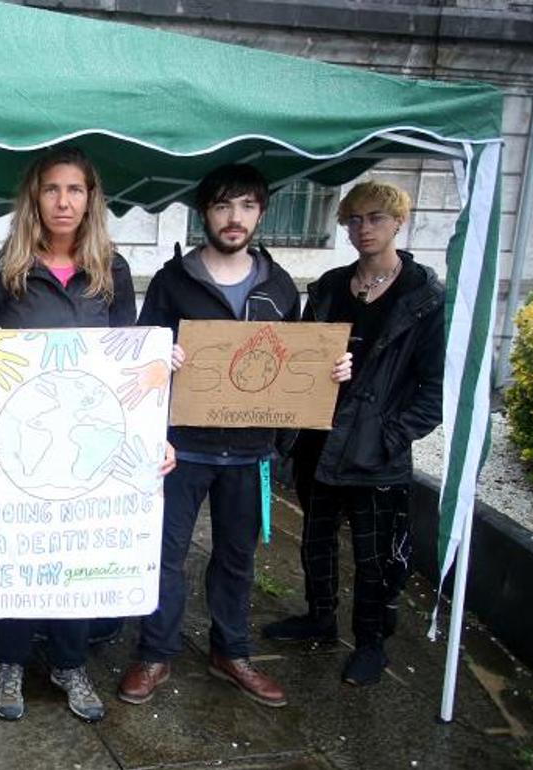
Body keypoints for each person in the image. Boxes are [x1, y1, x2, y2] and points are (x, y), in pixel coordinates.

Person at [0, 146, 176, 723]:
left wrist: (152, 433)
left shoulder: (111, 270)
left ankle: (71, 664)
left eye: (75, 190)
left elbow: (127, 358)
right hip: (25, 436)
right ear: (34, 198)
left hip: (87, 436)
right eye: (52, 190)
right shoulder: (3, 269)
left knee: (78, 548)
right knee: (24, 548)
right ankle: (10, 662)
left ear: (91, 199)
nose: (63, 201)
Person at [117, 163, 352, 710]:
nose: (234, 217)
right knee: (166, 554)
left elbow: (292, 361)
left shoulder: (277, 286)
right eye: (223, 206)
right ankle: (155, 652)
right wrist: (160, 355)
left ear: (261, 214)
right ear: (206, 213)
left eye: (246, 206)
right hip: (182, 446)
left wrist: (330, 370)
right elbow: (139, 354)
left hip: (249, 451)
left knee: (236, 557)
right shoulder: (175, 282)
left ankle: (231, 651)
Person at [263, 181, 441, 686]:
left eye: (375, 219)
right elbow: (298, 358)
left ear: (398, 222)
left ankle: (370, 643)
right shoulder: (329, 287)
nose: (363, 229)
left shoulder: (423, 297)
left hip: (374, 450)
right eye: (353, 220)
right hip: (319, 439)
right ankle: (319, 617)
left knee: (375, 555)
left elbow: (435, 387)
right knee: (316, 541)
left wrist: (392, 435)